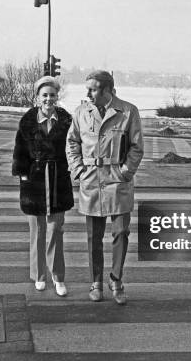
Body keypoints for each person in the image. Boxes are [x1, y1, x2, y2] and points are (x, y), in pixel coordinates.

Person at [66, 70, 144, 305]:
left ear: (108, 90)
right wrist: (78, 170)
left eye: (93, 88)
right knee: (94, 236)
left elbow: (136, 147)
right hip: (91, 180)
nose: (88, 93)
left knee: (121, 232)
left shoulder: (128, 111)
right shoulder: (81, 112)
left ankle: (116, 280)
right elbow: (72, 142)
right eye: (87, 88)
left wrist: (125, 172)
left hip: (117, 180)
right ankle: (96, 281)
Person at [12, 76, 74, 297]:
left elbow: (74, 148)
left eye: (52, 95)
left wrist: (74, 169)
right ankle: (39, 275)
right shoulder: (28, 121)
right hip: (34, 180)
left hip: (58, 180)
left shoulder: (67, 121)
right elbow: (20, 150)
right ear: (37, 98)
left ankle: (58, 277)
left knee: (56, 231)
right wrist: (22, 174)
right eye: (44, 95)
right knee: (37, 231)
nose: (48, 99)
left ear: (57, 97)